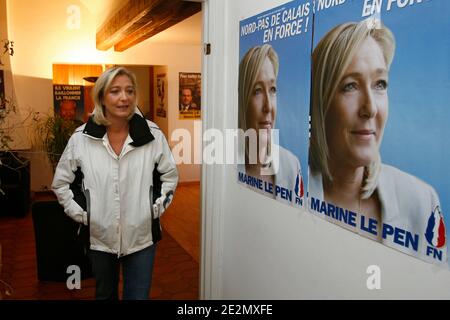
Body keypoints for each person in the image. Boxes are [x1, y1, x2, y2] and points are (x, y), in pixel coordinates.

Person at [309, 20, 446, 259]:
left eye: (380, 84)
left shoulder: (422, 202)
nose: (370, 108)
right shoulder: (292, 185)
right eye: (350, 86)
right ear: (320, 103)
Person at [52, 66, 178, 299]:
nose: (124, 97)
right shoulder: (81, 138)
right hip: (99, 238)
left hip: (142, 238)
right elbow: (61, 183)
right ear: (101, 96)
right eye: (115, 91)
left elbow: (169, 176)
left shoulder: (152, 135)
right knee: (104, 295)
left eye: (129, 91)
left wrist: (151, 210)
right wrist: (85, 215)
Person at [238, 44, 304, 205]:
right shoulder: (226, 161)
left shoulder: (291, 165)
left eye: (273, 89)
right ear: (243, 100)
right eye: (257, 91)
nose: (268, 106)